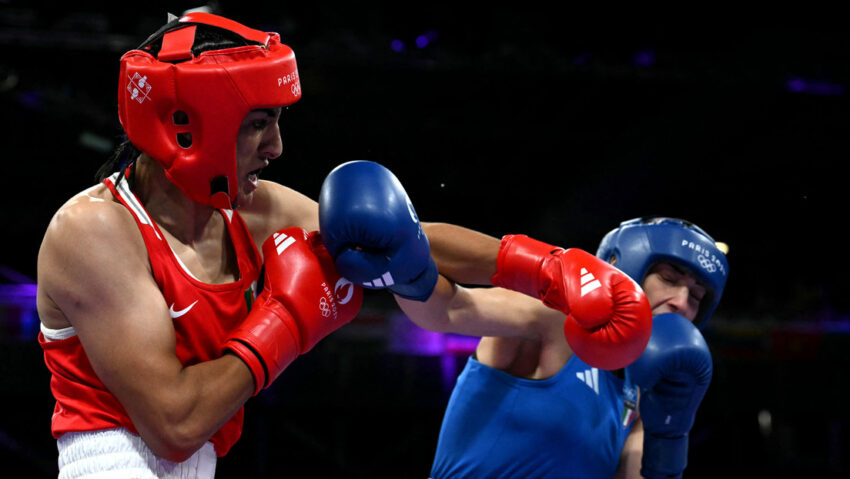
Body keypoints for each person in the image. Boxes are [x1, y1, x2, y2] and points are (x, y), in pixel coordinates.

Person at [35, 12, 368, 478]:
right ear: (187, 125)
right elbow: (176, 426)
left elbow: (386, 235)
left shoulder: (247, 210)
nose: (275, 147)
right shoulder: (93, 230)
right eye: (257, 123)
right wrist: (285, 322)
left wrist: (506, 260)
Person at [317, 162, 728, 478]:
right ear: (625, 269)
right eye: (670, 280)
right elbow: (450, 309)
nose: (680, 303)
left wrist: (671, 431)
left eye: (696, 296)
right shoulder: (553, 319)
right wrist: (400, 257)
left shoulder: (643, 398)